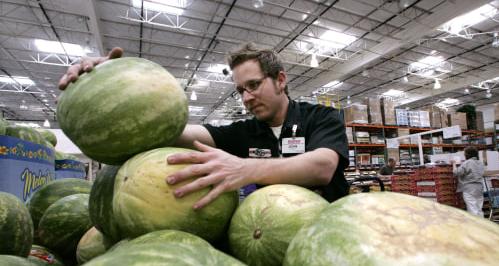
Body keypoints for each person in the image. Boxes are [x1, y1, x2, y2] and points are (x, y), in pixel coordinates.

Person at [59, 44, 350, 210]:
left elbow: (322, 167)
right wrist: (110, 84)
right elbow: (174, 132)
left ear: (281, 80)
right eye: (240, 90)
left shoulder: (322, 117)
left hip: (328, 226)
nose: (247, 97)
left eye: (254, 84)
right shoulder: (244, 132)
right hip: (267, 232)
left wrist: (244, 168)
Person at [450, 146, 485, 217]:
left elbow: (456, 172)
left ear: (467, 154)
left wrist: (454, 164)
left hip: (469, 189)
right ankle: (483, 224)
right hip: (479, 188)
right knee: (479, 208)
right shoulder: (480, 163)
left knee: (472, 209)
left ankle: (475, 225)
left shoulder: (467, 163)